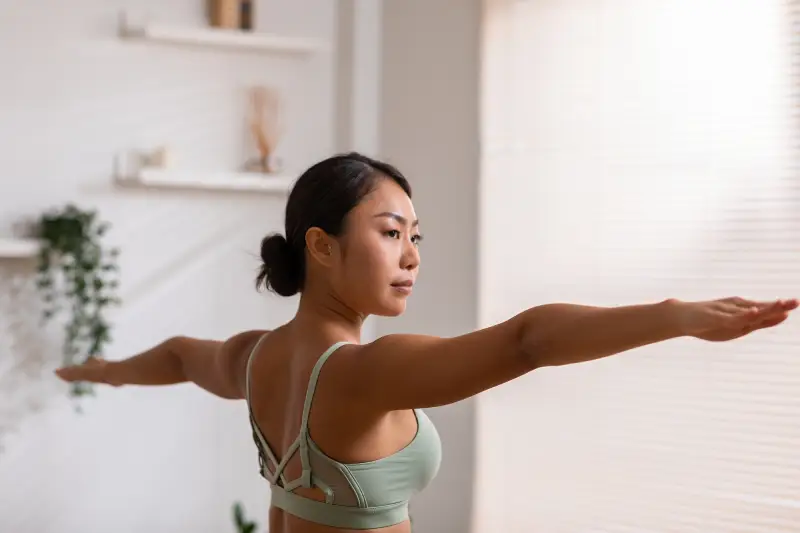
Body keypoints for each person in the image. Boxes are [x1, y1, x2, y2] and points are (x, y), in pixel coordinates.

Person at [55, 152, 798, 533]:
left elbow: (185, 355)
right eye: (389, 234)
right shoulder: (366, 372)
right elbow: (530, 339)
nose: (411, 255)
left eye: (416, 236)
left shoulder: (257, 357)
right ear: (321, 245)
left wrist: (104, 370)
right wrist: (674, 314)